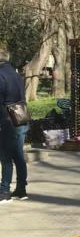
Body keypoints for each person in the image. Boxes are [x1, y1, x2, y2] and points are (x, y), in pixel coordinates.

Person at [0, 47, 29, 202]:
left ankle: (4, 191)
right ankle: (21, 189)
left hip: (7, 119)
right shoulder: (16, 75)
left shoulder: (0, 75)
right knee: (18, 155)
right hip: (21, 115)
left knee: (5, 157)